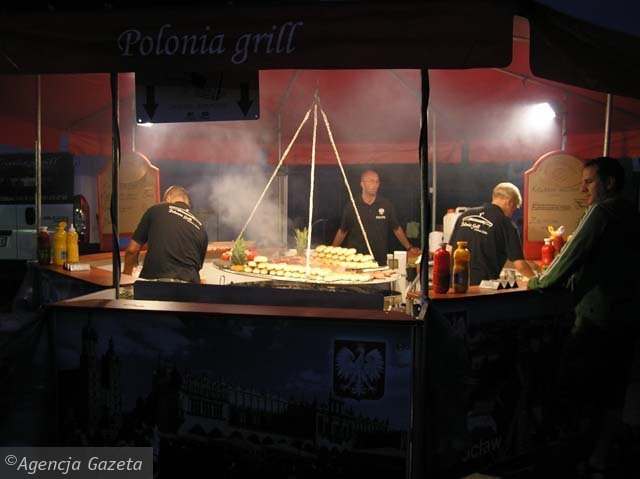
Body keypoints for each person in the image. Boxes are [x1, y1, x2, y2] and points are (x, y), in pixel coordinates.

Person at [529, 157, 640, 476]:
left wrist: (538, 282)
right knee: (613, 393)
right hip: (628, 319)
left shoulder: (601, 212)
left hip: (595, 319)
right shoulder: (633, 213)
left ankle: (569, 461)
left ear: (610, 183)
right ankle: (600, 460)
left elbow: (568, 258)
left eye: (589, 182)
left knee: (575, 391)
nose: (583, 189)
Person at [448, 182, 535, 285]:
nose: (513, 213)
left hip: (456, 283)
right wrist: (537, 280)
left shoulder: (464, 216)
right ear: (510, 202)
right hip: (483, 287)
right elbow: (520, 265)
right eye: (514, 208)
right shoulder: (507, 224)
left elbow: (450, 250)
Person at [332, 169, 420, 265]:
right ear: (362, 184)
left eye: (377, 182)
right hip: (356, 260)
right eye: (371, 181)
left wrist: (409, 247)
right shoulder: (352, 205)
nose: (375, 185)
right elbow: (342, 231)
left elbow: (396, 229)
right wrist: (332, 251)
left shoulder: (386, 205)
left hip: (379, 258)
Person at [123, 185, 208, 283]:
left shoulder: (156, 210)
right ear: (188, 204)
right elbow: (196, 266)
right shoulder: (201, 227)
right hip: (190, 288)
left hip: (157, 284)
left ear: (168, 199)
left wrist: (126, 277)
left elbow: (132, 250)